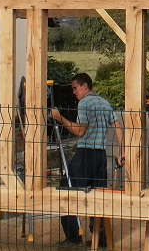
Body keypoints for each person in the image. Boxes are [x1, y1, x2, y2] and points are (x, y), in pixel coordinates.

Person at [50, 73, 124, 247]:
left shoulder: (84, 103)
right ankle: (102, 240)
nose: (74, 92)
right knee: (98, 197)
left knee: (66, 191)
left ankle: (73, 237)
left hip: (84, 155)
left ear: (85, 86)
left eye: (75, 88)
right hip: (100, 156)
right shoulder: (105, 103)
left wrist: (59, 118)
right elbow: (118, 125)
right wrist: (122, 150)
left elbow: (80, 131)